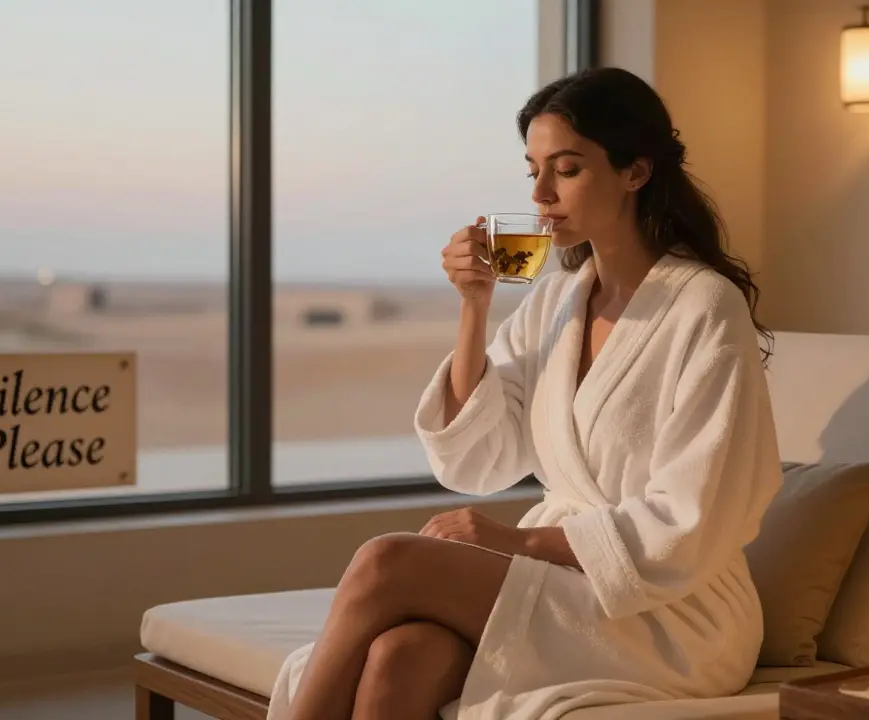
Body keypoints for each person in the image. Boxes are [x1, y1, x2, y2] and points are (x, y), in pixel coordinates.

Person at [267, 66, 784, 720]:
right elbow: (476, 456)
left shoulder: (705, 307)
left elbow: (690, 519)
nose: (540, 192)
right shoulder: (559, 301)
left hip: (671, 610)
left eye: (566, 169)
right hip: (568, 577)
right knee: (400, 657)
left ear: (636, 172)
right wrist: (474, 308)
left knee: (385, 561)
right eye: (532, 169)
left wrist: (511, 543)